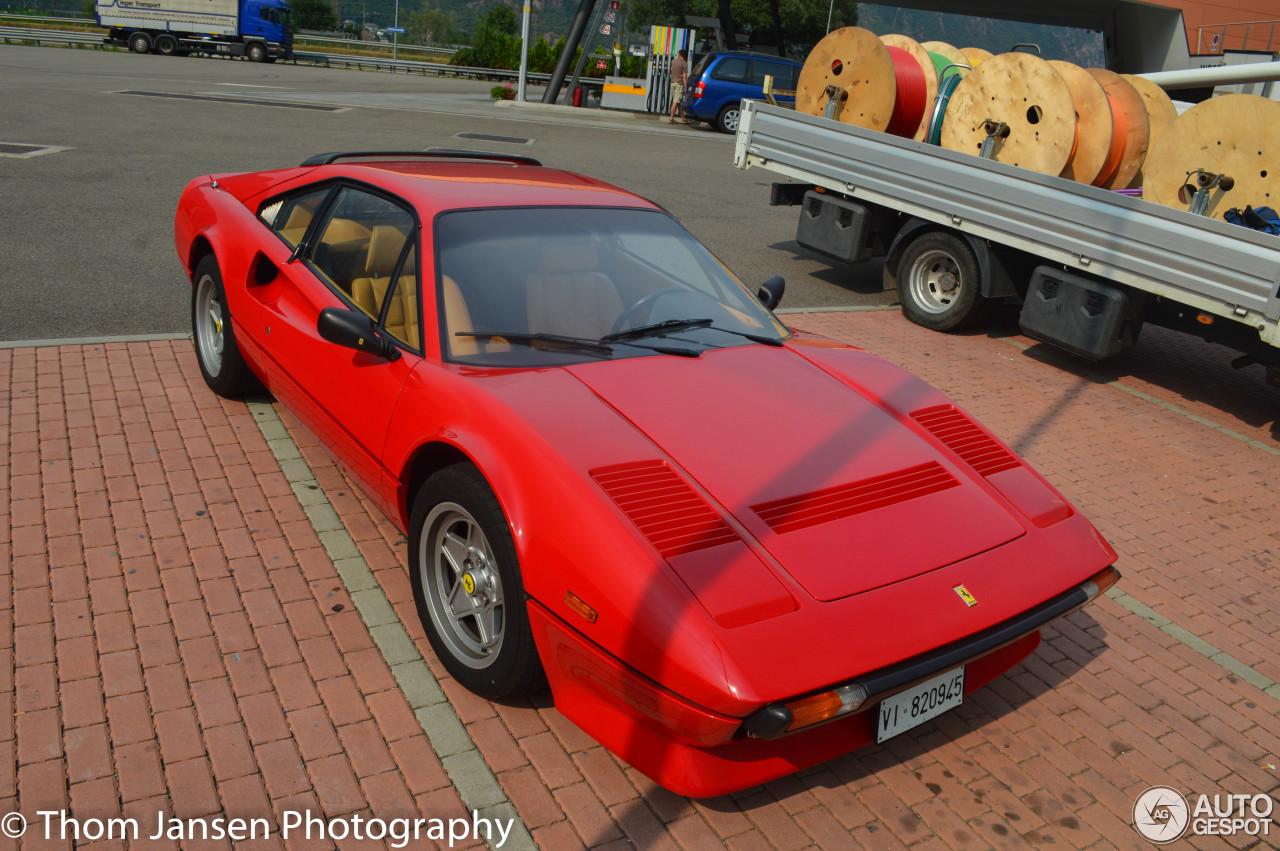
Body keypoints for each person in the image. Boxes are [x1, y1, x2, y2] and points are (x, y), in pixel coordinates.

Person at [668, 49, 689, 124]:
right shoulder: (685, 64)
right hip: (679, 84)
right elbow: (684, 77)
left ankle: (683, 118)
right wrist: (686, 87)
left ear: (680, 54)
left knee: (678, 101)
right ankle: (671, 117)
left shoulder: (673, 61)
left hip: (672, 83)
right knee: (676, 101)